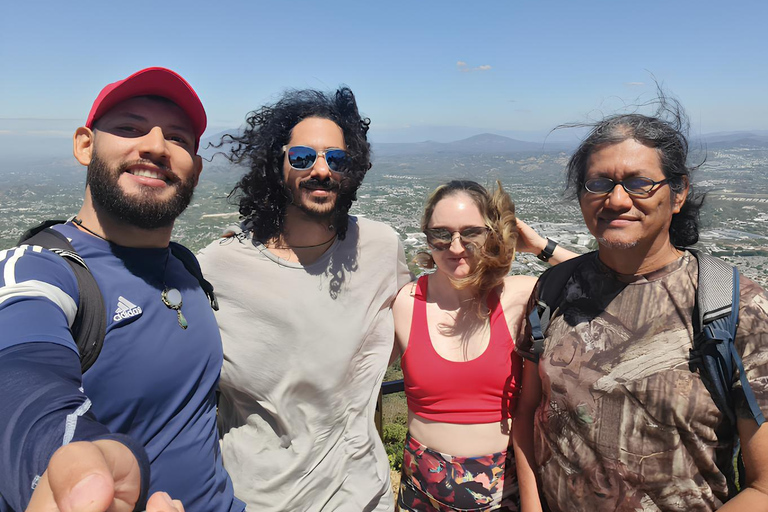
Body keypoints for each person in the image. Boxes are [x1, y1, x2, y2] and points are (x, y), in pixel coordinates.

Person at [0, 67, 243, 512]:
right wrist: (80, 467)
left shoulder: (187, 266)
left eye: (178, 139)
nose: (154, 146)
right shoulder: (39, 271)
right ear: (85, 145)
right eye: (130, 128)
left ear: (197, 169)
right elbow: (18, 381)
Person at [513, 101, 768, 511]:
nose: (616, 200)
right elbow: (527, 416)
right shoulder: (555, 288)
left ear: (679, 192)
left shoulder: (737, 307)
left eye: (639, 183)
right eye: (598, 184)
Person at [196, 87, 412, 511]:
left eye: (337, 159)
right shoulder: (218, 267)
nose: (321, 170)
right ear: (277, 166)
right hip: (259, 499)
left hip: (364, 497)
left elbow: (417, 318)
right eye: (302, 158)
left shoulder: (381, 247)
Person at [391, 180, 575, 511]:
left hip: (504, 488)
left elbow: (607, 282)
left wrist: (539, 247)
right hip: (421, 490)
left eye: (471, 233)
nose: (456, 247)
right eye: (441, 234)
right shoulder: (406, 301)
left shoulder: (519, 296)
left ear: (492, 235)